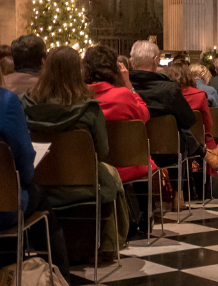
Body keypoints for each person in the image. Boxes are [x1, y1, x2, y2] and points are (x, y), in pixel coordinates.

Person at [21, 46, 128, 260]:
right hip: (84, 185)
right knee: (112, 174)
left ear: (46, 69)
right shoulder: (89, 110)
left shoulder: (25, 105)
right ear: (78, 71)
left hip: (39, 183)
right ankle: (108, 247)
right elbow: (103, 151)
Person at [0, 67, 70, 281]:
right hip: (4, 208)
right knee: (38, 195)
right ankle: (60, 277)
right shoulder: (7, 102)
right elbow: (26, 165)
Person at [128, 40, 198, 208]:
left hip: (131, 152)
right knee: (180, 136)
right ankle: (177, 195)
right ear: (155, 60)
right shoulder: (170, 89)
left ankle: (140, 204)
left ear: (132, 61)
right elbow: (189, 121)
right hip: (167, 152)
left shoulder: (123, 89)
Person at [83, 45, 155, 183]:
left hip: (90, 168)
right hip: (128, 167)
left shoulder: (78, 97)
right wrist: (127, 84)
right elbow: (144, 115)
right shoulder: (123, 95)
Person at [166, 62, 218, 173]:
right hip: (197, 142)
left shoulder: (164, 95)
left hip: (165, 144)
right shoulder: (199, 95)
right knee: (216, 142)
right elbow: (208, 125)